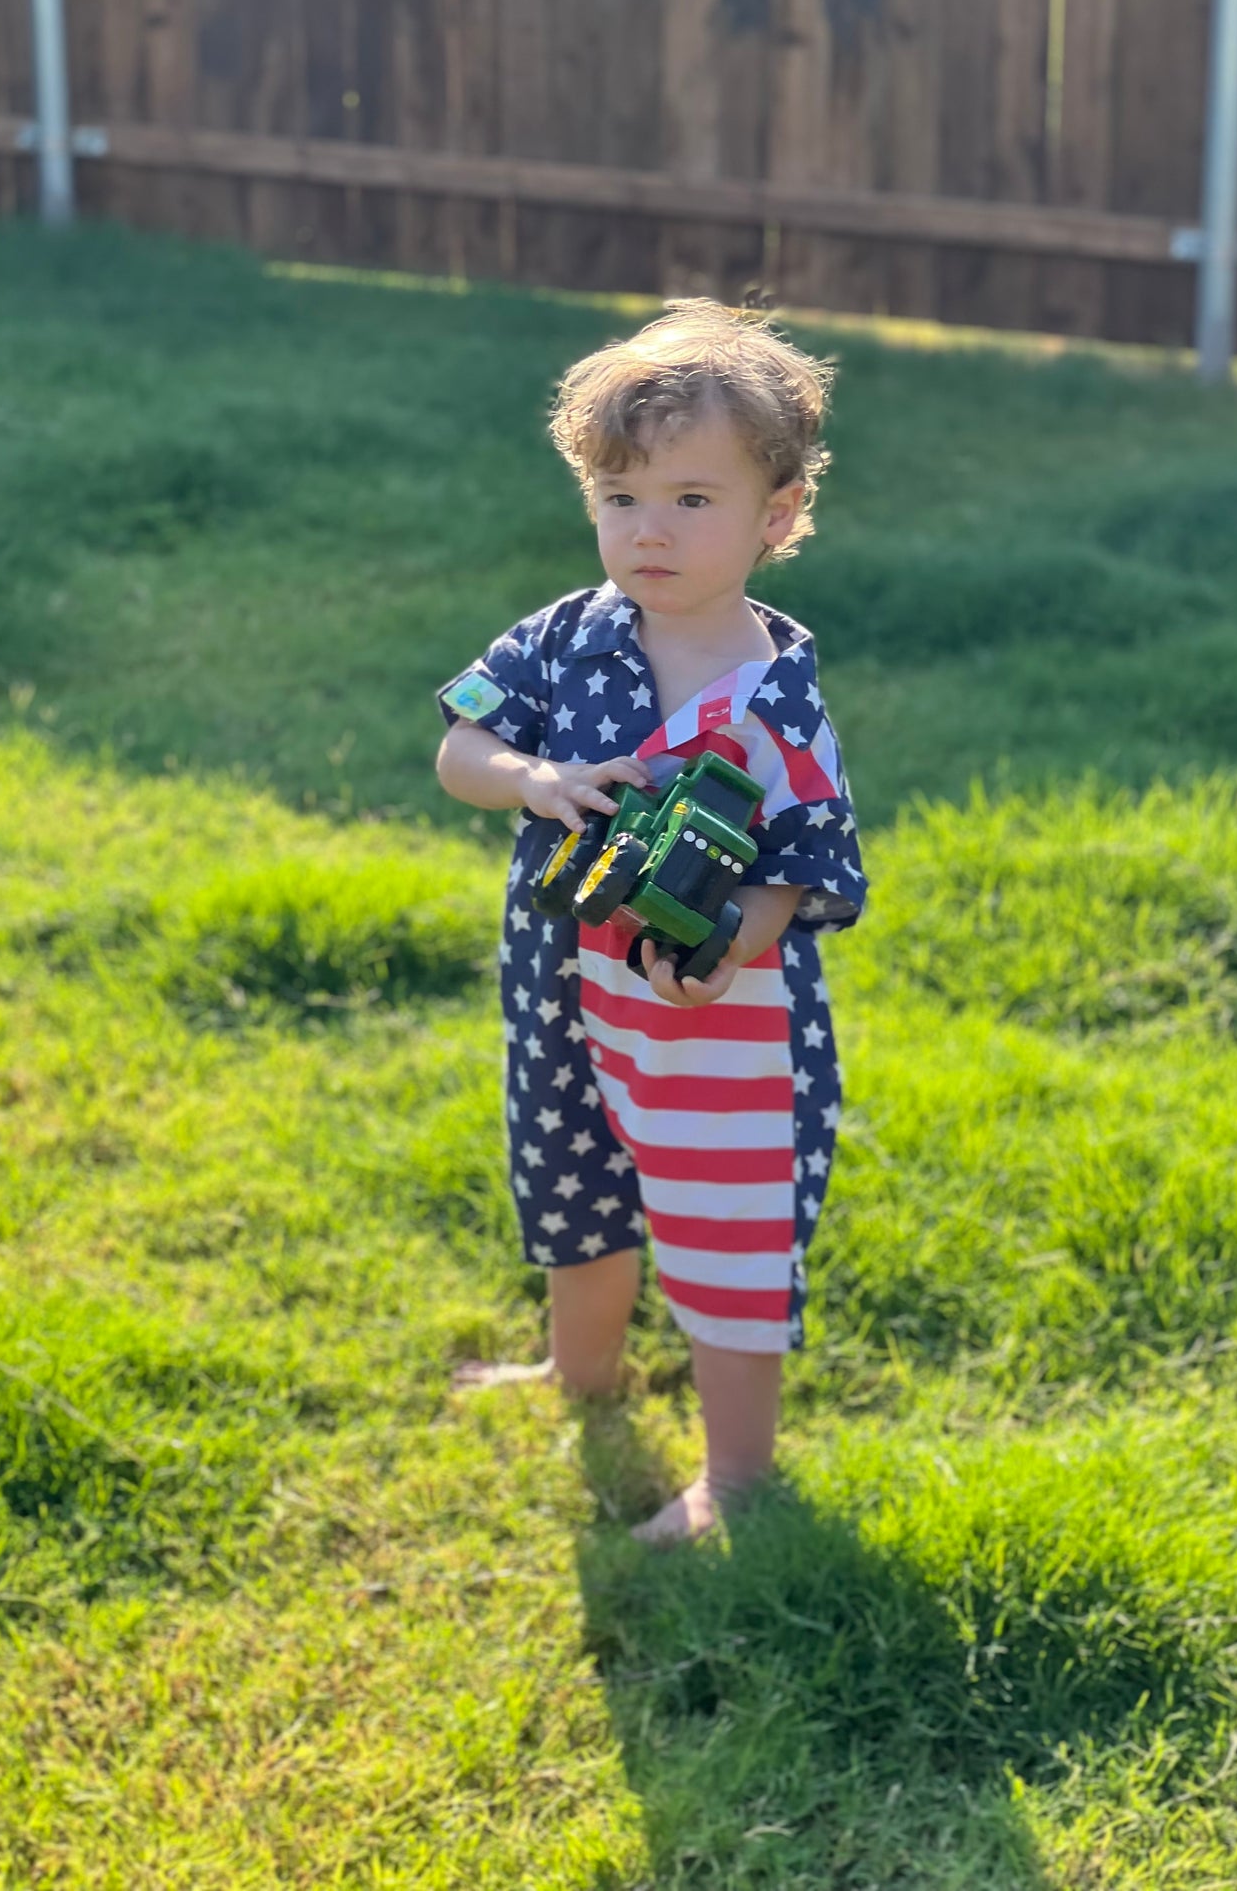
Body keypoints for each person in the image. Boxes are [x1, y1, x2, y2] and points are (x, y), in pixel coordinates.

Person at [434, 299, 865, 1544]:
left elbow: (803, 859)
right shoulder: (567, 638)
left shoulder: (776, 696)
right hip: (562, 983)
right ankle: (581, 1377)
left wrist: (729, 943)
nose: (649, 530)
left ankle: (733, 1478)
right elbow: (460, 743)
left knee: (726, 1233)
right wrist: (527, 778)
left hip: (711, 1024)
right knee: (573, 1190)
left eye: (690, 500)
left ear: (775, 514)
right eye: (620, 497)